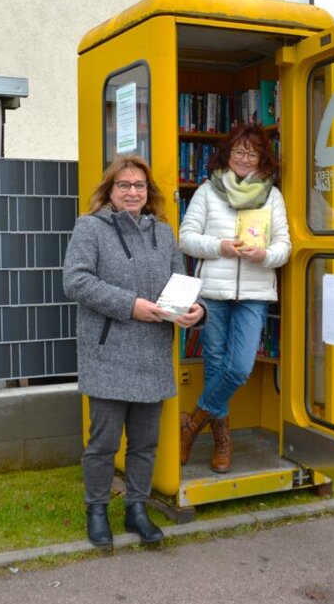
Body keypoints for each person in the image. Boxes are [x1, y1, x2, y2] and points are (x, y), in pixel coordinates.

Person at [63, 154, 205, 549]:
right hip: (109, 355)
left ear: (149, 193)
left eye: (139, 186)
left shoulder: (164, 232)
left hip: (154, 354)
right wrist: (131, 305)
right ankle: (96, 510)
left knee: (145, 443)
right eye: (124, 185)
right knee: (104, 444)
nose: (132, 191)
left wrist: (197, 310)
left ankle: (137, 509)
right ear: (109, 191)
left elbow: (182, 284)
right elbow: (75, 282)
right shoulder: (90, 228)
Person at [178, 123, 291, 473]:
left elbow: (284, 247)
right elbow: (186, 238)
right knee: (214, 366)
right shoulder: (208, 192)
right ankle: (222, 442)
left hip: (254, 294)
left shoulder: (272, 196)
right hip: (213, 293)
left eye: (252, 153)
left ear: (263, 159)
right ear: (227, 154)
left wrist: (266, 256)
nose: (244, 158)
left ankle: (193, 424)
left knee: (239, 367)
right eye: (239, 152)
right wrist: (220, 247)